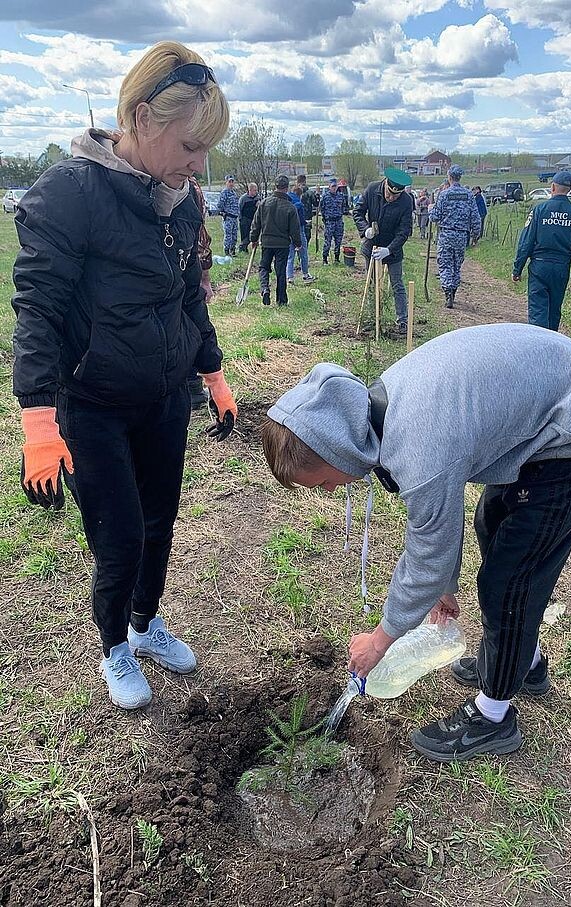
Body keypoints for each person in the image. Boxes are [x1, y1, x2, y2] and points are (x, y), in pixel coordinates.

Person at [260, 323, 571, 763]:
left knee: (511, 578)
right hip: (554, 404)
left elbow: (426, 553)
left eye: (322, 481)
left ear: (339, 449)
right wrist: (445, 585)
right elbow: (440, 519)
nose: (326, 492)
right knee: (492, 524)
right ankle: (520, 661)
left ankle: (494, 719)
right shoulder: (380, 410)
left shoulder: (418, 447)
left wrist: (380, 639)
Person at [11, 41, 237, 710]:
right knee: (120, 533)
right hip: (93, 405)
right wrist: (38, 421)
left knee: (160, 522)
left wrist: (214, 374)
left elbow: (189, 296)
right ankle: (113, 643)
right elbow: (38, 310)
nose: (200, 164)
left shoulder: (182, 197)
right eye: (191, 145)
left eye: (206, 151)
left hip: (164, 396)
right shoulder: (70, 194)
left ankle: (145, 624)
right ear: (141, 119)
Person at [512, 171, 571, 331]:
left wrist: (517, 268)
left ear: (552, 187)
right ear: (570, 189)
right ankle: (551, 347)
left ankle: (539, 349)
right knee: (554, 313)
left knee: (538, 312)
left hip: (539, 267)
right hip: (561, 269)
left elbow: (526, 242)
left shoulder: (539, 210)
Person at [352, 167, 414, 335]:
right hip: (371, 246)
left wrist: (389, 249)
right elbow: (357, 211)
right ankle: (373, 317)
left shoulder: (407, 201)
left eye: (396, 195)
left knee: (397, 284)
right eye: (389, 193)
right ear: (385, 184)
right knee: (371, 283)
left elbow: (404, 230)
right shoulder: (372, 189)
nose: (391, 197)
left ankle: (402, 320)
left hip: (392, 249)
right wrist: (365, 230)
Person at [428, 165, 481, 309]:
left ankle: (447, 292)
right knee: (456, 265)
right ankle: (453, 291)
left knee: (445, 265)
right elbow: (476, 217)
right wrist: (476, 234)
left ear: (449, 177)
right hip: (461, 235)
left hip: (446, 234)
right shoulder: (468, 195)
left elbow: (434, 217)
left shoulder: (444, 194)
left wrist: (430, 210)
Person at [250, 173, 301, 307]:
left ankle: (265, 288)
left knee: (264, 267)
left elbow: (256, 223)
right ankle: (281, 300)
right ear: (287, 187)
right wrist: (298, 243)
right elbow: (294, 229)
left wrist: (253, 239)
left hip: (266, 242)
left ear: (275, 186)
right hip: (283, 244)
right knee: (280, 271)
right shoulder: (290, 207)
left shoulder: (264, 203)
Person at [188, 175, 214, 409]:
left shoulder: (190, 188)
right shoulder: (192, 186)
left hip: (188, 269)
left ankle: (193, 386)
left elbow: (200, 234)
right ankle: (191, 386)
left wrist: (205, 277)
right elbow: (201, 237)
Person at [287, 185, 316, 284]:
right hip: (299, 230)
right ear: (300, 194)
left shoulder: (286, 201)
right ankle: (305, 274)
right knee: (303, 253)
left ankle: (289, 277)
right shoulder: (299, 204)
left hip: (288, 231)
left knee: (290, 255)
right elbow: (301, 219)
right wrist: (306, 222)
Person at [320, 178, 348, 263]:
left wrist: (341, 213)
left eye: (336, 186)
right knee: (327, 241)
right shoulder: (325, 197)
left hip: (338, 221)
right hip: (329, 222)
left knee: (338, 241)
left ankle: (337, 258)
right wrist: (326, 219)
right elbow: (322, 209)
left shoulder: (341, 196)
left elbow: (344, 207)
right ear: (329, 187)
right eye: (333, 186)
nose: (334, 188)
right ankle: (325, 258)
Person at [217, 174, 239, 255]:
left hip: (234, 217)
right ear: (226, 182)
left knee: (234, 235)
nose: (231, 183)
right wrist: (223, 213)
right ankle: (227, 251)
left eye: (232, 181)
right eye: (229, 181)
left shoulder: (233, 193)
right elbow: (220, 205)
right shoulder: (224, 192)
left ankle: (232, 250)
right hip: (228, 217)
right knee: (228, 235)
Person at [238, 182, 259, 253]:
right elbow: (240, 209)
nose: (256, 192)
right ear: (250, 190)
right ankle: (242, 248)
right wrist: (241, 219)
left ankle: (249, 246)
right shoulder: (243, 198)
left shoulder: (258, 198)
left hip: (253, 219)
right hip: (245, 219)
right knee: (245, 235)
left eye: (256, 190)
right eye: (254, 190)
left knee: (252, 234)